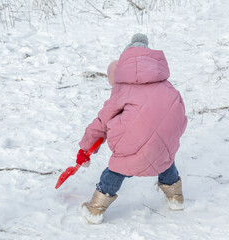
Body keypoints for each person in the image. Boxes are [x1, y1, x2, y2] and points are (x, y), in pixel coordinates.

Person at [76, 33, 188, 224]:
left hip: (131, 143)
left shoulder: (122, 88)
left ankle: (95, 209)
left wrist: (86, 147)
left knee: (119, 168)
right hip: (165, 142)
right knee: (164, 159)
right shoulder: (167, 85)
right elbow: (179, 111)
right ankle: (176, 198)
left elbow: (101, 122)